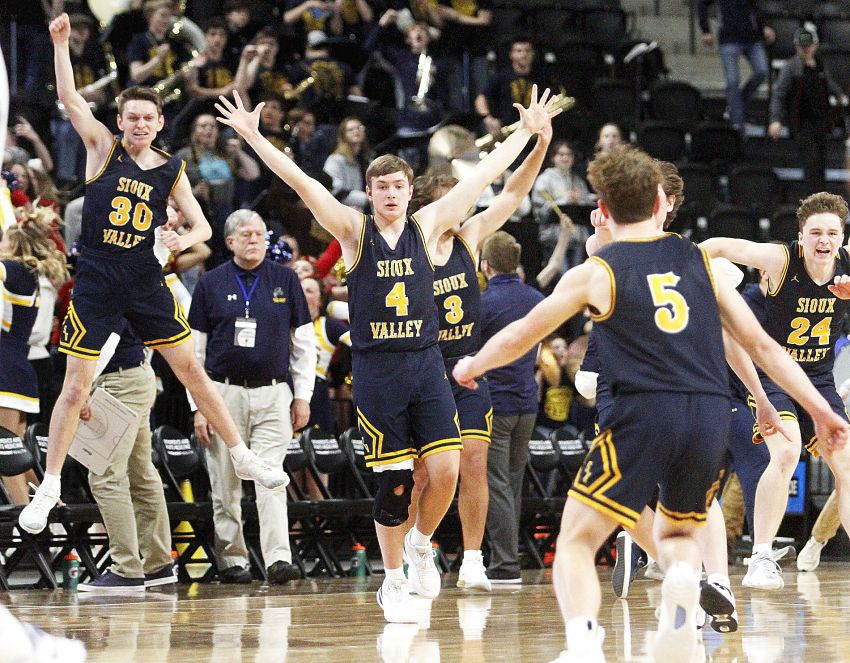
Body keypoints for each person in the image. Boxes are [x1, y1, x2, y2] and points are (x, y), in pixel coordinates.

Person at [453, 145, 849, 661]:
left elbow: (523, 334)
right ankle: (683, 597)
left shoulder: (599, 268)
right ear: (664, 203)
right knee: (681, 527)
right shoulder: (700, 261)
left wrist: (472, 365)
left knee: (575, 539)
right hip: (706, 413)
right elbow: (763, 347)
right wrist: (819, 408)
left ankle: (584, 643)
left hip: (644, 410)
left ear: (605, 209)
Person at [216, 85, 558, 621]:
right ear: (371, 194)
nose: (392, 194)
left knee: (445, 470)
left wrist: (528, 133)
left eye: (399, 186)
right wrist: (256, 137)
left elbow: (484, 177)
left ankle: (423, 543)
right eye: (382, 187)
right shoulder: (354, 232)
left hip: (427, 364)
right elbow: (302, 183)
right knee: (396, 482)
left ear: (408, 192)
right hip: (377, 369)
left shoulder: (428, 226)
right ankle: (393, 578)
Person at [18, 13, 289, 538]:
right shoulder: (102, 148)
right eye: (132, 117)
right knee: (75, 389)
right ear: (120, 121)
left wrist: (179, 240)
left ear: (160, 123)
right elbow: (72, 100)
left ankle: (241, 455)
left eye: (148, 118)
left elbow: (204, 226)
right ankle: (49, 486)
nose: (139, 125)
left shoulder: (171, 169)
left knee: (191, 370)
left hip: (144, 279)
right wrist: (58, 46)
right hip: (97, 278)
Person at [408, 122, 552, 591]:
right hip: (425, 367)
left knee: (473, 460)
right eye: (448, 201)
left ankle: (473, 559)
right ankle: (416, 548)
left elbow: (511, 194)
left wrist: (540, 145)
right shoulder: (416, 246)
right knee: (422, 470)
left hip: (468, 371)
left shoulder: (469, 239)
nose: (459, 208)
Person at [702, 191, 850, 590]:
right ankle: (761, 556)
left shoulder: (848, 268)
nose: (824, 239)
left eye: (832, 232)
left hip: (818, 379)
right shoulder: (781, 260)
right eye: (815, 231)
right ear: (801, 236)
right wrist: (695, 270)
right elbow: (715, 246)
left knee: (846, 462)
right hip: (775, 376)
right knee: (785, 453)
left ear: (842, 237)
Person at [189, 209, 316, 584]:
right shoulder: (210, 283)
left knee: (272, 477)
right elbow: (195, 351)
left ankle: (278, 558)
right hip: (222, 392)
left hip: (274, 392)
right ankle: (232, 560)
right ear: (229, 242)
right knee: (224, 480)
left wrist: (302, 396)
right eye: (245, 234)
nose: (254, 239)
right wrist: (198, 406)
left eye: (260, 233)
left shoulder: (286, 280)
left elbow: (304, 345)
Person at [78, 321, 177, 592]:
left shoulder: (102, 280)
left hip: (116, 381)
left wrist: (82, 387)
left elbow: (107, 338)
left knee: (106, 475)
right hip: (137, 373)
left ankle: (126, 569)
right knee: (141, 472)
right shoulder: (126, 279)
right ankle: (158, 564)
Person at [478, 231, 544, 584]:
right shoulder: (536, 297)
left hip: (497, 402)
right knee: (512, 484)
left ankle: (504, 564)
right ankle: (506, 556)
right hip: (527, 402)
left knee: (497, 484)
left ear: (485, 265)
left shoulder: (484, 303)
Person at [0, 212, 69, 504]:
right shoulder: (30, 277)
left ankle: (29, 531)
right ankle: (56, 516)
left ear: (15, 244)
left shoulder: (13, 271)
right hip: (19, 367)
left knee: (6, 457)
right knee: (18, 455)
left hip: (5, 369)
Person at [768, 26, 846, 196]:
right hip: (802, 123)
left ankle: (821, 196)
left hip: (820, 121)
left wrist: (840, 95)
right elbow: (779, 94)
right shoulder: (791, 67)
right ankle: (813, 198)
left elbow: (828, 83)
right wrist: (776, 119)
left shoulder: (819, 64)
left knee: (820, 163)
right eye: (802, 46)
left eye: (809, 45)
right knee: (811, 163)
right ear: (797, 47)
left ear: (815, 46)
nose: (806, 49)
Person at [699, 0, 774, 131]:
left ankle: (738, 105)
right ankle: (737, 124)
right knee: (733, 82)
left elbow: (757, 8)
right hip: (729, 38)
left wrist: (763, 27)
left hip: (751, 37)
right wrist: (705, 30)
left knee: (762, 71)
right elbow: (703, 3)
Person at [475, 37, 547, 140]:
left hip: (532, 132)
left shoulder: (540, 78)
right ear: (511, 54)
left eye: (527, 51)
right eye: (519, 51)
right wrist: (488, 118)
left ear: (533, 54)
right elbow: (481, 98)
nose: (523, 54)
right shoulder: (502, 76)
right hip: (505, 132)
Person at [323, 116, 371, 212]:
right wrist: (368, 198)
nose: (356, 131)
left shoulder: (366, 160)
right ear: (343, 135)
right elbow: (335, 190)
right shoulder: (335, 160)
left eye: (359, 128)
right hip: (343, 214)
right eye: (350, 129)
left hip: (363, 212)